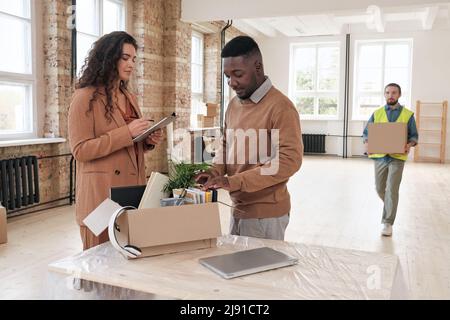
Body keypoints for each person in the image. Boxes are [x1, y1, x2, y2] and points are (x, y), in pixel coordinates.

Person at [196, 36, 303, 240]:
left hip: (265, 215)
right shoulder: (233, 105)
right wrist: (214, 171)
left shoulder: (281, 107)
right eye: (227, 76)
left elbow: (290, 161)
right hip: (237, 208)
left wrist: (233, 182)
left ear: (258, 67)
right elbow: (226, 145)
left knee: (261, 272)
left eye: (238, 74)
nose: (232, 82)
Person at [68, 31, 163, 250]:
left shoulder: (129, 96)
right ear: (108, 58)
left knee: (127, 263)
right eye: (125, 58)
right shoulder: (84, 97)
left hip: (131, 193)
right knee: (98, 266)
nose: (131, 64)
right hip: (101, 198)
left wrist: (147, 139)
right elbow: (80, 150)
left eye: (134, 59)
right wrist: (127, 133)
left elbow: (129, 145)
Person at [363, 83, 418, 237]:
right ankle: (390, 206)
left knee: (392, 190)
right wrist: (367, 143)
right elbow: (366, 133)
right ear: (384, 94)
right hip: (380, 157)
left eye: (394, 93)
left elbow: (413, 135)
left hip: (397, 157)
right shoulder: (377, 113)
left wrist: (409, 144)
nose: (390, 95)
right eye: (387, 92)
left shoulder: (408, 114)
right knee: (380, 189)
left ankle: (388, 222)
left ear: (399, 95)